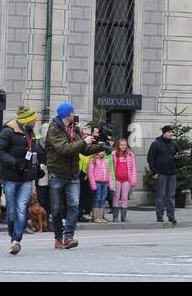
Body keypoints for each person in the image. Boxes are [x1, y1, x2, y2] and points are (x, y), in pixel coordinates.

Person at [42, 102, 103, 250]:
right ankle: (58, 237)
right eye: (72, 112)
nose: (74, 115)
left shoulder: (73, 129)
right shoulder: (54, 129)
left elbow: (84, 150)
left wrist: (101, 146)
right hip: (57, 173)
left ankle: (68, 237)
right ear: (67, 114)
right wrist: (83, 141)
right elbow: (64, 149)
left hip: (73, 175)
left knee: (74, 205)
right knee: (56, 209)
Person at [0, 108, 41, 253]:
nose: (35, 121)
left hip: (26, 178)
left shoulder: (31, 133)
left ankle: (16, 240)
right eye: (33, 119)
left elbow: (32, 154)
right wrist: (14, 162)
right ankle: (12, 235)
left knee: (21, 209)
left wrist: (36, 168)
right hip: (11, 177)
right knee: (12, 212)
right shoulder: (8, 131)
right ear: (26, 119)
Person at [147, 124, 180, 226]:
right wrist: (154, 172)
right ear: (164, 133)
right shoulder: (156, 144)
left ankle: (171, 216)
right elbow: (150, 158)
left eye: (172, 132)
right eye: (169, 132)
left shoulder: (173, 144)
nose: (171, 134)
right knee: (160, 196)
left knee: (171, 196)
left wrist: (178, 157)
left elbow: (179, 153)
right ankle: (160, 216)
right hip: (161, 173)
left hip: (171, 173)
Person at [111, 137, 136, 222]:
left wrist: (133, 180)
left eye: (125, 145)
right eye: (121, 145)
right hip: (117, 179)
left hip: (126, 180)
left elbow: (133, 168)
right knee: (116, 197)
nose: (123, 146)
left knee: (125, 197)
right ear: (118, 145)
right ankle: (115, 217)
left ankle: (123, 217)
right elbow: (111, 168)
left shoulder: (130, 154)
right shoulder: (114, 154)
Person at [87, 142, 113, 224]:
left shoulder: (105, 160)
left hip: (105, 183)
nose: (103, 153)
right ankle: (96, 217)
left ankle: (101, 217)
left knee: (103, 199)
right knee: (97, 199)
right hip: (97, 183)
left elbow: (109, 173)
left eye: (103, 151)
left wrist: (110, 184)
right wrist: (93, 184)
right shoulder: (93, 160)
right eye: (101, 151)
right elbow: (90, 173)